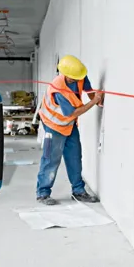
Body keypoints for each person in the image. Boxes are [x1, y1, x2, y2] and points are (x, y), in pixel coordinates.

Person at [36, 55, 103, 205]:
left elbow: (89, 89)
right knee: (50, 159)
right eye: (73, 78)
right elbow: (73, 113)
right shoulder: (59, 90)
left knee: (74, 157)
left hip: (68, 125)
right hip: (52, 126)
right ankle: (43, 193)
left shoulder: (80, 76)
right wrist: (94, 102)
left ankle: (78, 191)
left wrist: (99, 100)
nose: (76, 80)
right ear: (65, 75)